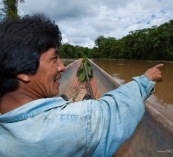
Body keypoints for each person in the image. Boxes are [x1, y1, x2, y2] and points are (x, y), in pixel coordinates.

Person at [0, 14, 163, 157]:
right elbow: (115, 110)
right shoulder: (75, 123)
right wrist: (146, 80)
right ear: (22, 72)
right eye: (53, 59)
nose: (62, 67)